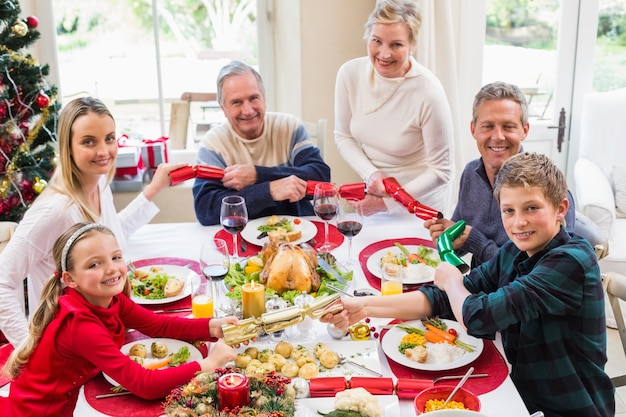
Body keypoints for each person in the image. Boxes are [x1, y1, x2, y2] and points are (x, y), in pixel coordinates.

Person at [323, 152, 615, 417]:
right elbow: (441, 299)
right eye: (509, 210)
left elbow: (479, 314)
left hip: (571, 407)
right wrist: (363, 307)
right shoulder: (515, 251)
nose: (518, 222)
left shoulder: (571, 262)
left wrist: (452, 280)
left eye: (531, 208)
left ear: (560, 208)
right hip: (525, 396)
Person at [0, 97, 186, 347]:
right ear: (67, 147)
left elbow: (113, 236)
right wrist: (28, 348)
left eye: (109, 138)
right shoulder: (55, 210)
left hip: (102, 334)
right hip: (65, 347)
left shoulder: (98, 183)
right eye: (89, 142)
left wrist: (153, 189)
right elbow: (2, 281)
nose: (103, 151)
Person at [0, 222, 237, 416]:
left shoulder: (108, 298)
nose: (112, 269)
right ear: (70, 279)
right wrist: (208, 365)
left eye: (116, 257)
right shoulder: (79, 324)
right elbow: (145, 385)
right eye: (95, 264)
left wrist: (211, 327)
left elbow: (157, 324)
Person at [424, 81, 576, 268]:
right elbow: (461, 244)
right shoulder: (471, 174)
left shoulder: (549, 190)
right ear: (473, 130)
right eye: (488, 126)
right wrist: (447, 237)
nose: (497, 136)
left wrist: (475, 241)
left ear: (525, 130)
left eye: (508, 126)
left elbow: (539, 274)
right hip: (479, 287)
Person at [334, 0, 454, 216]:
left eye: (396, 44)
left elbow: (441, 171)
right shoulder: (349, 74)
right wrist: (371, 175)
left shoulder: (429, 91)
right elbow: (343, 136)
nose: (384, 53)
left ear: (412, 45)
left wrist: (388, 203)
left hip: (418, 206)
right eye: (377, 41)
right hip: (372, 199)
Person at [192, 60, 331, 225]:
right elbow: (206, 210)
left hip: (298, 229)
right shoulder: (213, 144)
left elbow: (321, 179)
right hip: (242, 236)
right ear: (223, 108)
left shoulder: (289, 127)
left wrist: (257, 175)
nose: (248, 110)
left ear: (264, 99)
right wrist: (269, 190)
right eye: (237, 102)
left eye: (253, 98)